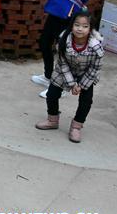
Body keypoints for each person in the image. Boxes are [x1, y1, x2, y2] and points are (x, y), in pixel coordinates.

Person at [35, 10, 103, 143]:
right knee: (52, 94)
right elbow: (62, 63)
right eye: (77, 25)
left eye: (85, 26)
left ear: (90, 29)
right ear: (71, 25)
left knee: (86, 101)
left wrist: (81, 85)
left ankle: (77, 126)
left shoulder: (96, 46)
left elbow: (95, 68)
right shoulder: (63, 40)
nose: (80, 29)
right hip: (64, 71)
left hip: (86, 74)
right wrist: (72, 83)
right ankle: (52, 120)